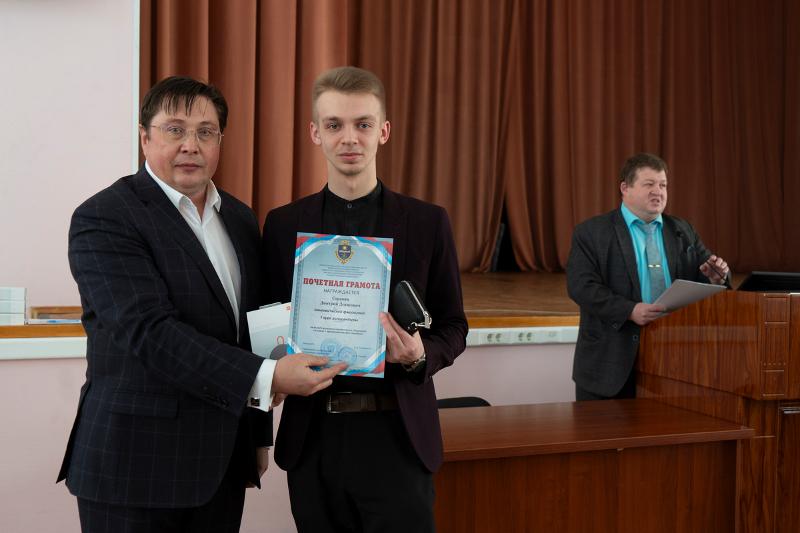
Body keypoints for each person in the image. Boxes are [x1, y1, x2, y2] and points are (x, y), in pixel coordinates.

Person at [57, 76, 345, 533]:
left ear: (219, 142)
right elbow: (150, 332)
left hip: (220, 465)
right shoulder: (106, 217)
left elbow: (253, 329)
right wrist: (268, 376)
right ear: (144, 136)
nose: (191, 144)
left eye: (205, 132)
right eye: (175, 129)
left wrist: (257, 435)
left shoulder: (240, 218)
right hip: (134, 468)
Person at [261, 66, 468, 532]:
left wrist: (419, 356)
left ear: (384, 131)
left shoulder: (428, 222)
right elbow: (267, 327)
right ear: (315, 133)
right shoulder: (282, 224)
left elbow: (454, 326)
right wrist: (272, 377)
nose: (349, 138)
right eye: (334, 125)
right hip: (313, 438)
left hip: (397, 438)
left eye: (363, 124)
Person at [567, 152, 729, 400]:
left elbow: (707, 273)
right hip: (609, 364)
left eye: (663, 185)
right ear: (625, 188)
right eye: (649, 184)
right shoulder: (592, 232)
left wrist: (717, 277)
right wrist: (629, 310)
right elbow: (581, 286)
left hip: (673, 362)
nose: (658, 192)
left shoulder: (682, 230)